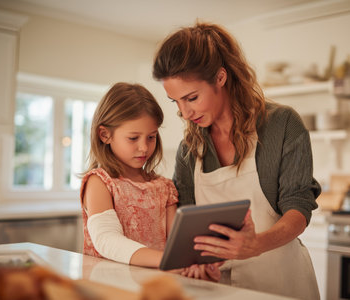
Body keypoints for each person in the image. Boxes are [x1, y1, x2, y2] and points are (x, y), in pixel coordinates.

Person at [152, 23, 321, 299]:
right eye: (176, 102)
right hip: (214, 289)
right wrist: (196, 262)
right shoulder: (188, 149)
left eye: (192, 97)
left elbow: (299, 208)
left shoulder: (282, 125)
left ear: (220, 77)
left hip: (281, 285)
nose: (184, 112)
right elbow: (187, 225)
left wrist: (256, 244)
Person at [80, 82, 220, 281]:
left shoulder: (164, 187)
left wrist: (195, 264)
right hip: (111, 286)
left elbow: (178, 242)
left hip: (157, 287)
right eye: (133, 138)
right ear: (105, 135)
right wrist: (169, 260)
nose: (144, 147)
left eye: (151, 137)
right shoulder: (100, 182)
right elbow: (106, 240)